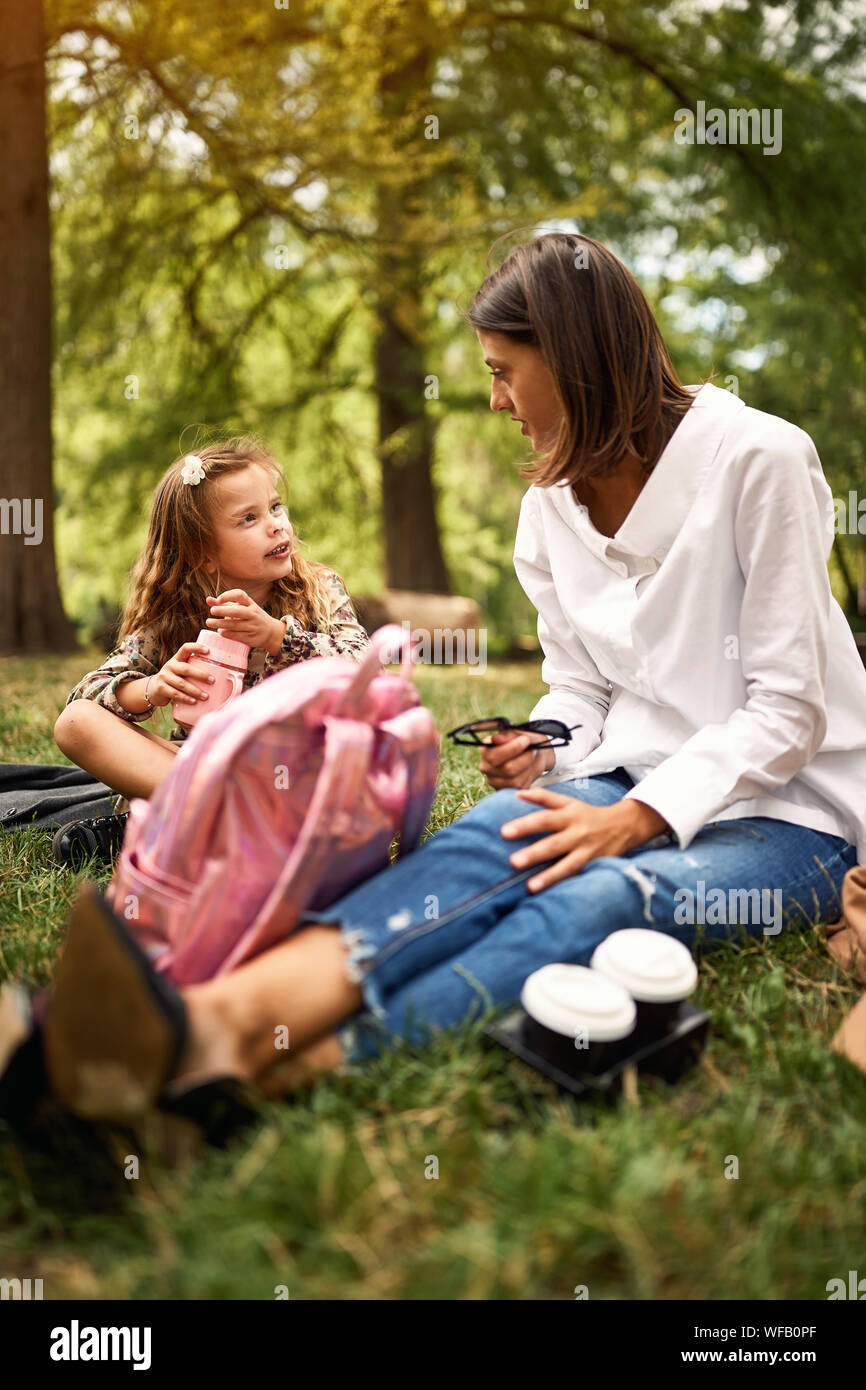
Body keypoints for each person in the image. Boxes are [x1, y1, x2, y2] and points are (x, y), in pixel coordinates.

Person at [3, 232, 866, 1134]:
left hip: (795, 813)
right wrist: (548, 742)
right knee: (485, 839)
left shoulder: (760, 460)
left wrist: (638, 821)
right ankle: (206, 1024)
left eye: (504, 371)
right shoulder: (549, 509)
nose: (495, 401)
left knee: (604, 896)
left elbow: (788, 709)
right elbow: (581, 689)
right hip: (627, 778)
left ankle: (275, 1064)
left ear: (575, 359)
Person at [51, 438, 369, 863]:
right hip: (211, 773)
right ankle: (230, 821)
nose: (277, 525)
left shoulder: (319, 590)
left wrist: (278, 637)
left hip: (298, 771)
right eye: (248, 519)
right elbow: (88, 694)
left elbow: (368, 671)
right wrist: (153, 688)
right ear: (203, 555)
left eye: (276, 507)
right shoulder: (180, 616)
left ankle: (177, 827)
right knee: (75, 723)